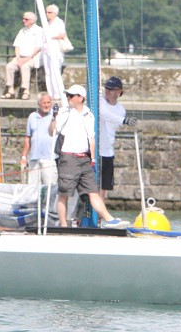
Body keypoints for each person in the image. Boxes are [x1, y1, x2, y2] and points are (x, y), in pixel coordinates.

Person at [50, 84, 129, 228]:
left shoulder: (88, 114)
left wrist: (92, 159)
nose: (68, 98)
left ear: (80, 98)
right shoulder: (64, 112)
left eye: (71, 95)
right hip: (68, 158)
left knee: (93, 192)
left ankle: (109, 219)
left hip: (84, 159)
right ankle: (63, 225)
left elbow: (91, 138)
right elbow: (52, 131)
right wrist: (54, 117)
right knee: (64, 193)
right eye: (67, 95)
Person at [98, 76, 136, 201]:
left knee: (103, 188)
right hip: (95, 151)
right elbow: (103, 115)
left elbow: (112, 120)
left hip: (107, 152)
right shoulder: (100, 102)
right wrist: (124, 121)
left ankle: (99, 218)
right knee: (91, 187)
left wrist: (123, 120)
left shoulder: (121, 110)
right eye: (106, 88)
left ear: (119, 92)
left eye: (111, 89)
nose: (107, 91)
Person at [4, 11, 45, 100]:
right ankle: (10, 90)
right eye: (23, 18)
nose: (23, 21)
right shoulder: (22, 31)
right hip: (21, 57)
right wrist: (18, 57)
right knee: (9, 66)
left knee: (25, 67)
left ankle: (25, 90)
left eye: (26, 19)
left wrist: (27, 59)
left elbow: (38, 48)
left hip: (33, 57)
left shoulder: (39, 31)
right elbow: (17, 45)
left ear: (32, 21)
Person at [22, 92, 58, 188]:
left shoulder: (55, 117)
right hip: (34, 158)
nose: (47, 105)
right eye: (44, 103)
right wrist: (24, 156)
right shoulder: (32, 117)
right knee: (32, 187)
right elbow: (28, 137)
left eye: (48, 103)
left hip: (49, 158)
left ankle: (49, 203)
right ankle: (33, 203)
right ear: (39, 104)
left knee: (50, 187)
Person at [41, 4, 68, 101]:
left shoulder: (59, 22)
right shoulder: (47, 23)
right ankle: (50, 92)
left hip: (55, 50)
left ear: (55, 13)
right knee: (48, 72)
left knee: (54, 71)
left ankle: (57, 93)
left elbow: (62, 34)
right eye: (46, 12)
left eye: (49, 12)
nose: (47, 14)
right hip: (46, 50)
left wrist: (51, 37)